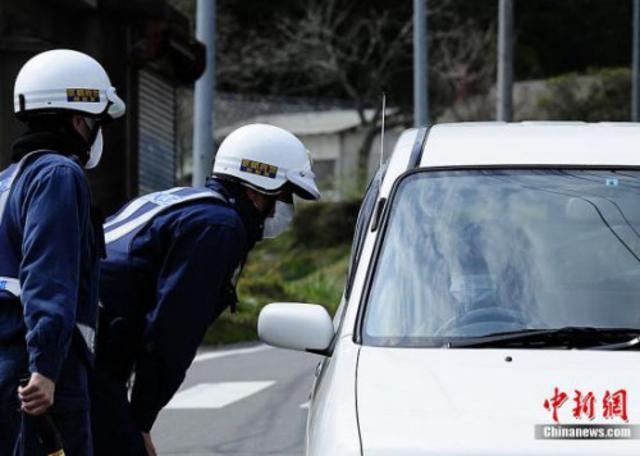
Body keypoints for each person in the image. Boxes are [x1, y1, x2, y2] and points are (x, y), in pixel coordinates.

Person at [91, 123, 320, 455]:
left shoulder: (182, 201)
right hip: (83, 353)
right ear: (258, 189)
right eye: (285, 195)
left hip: (63, 341)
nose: (286, 208)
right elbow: (172, 331)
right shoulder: (218, 227)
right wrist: (139, 421)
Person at [0, 49, 126, 455]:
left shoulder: (7, 182)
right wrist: (46, 368)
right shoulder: (58, 174)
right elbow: (47, 276)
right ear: (78, 120)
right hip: (40, 378)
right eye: (96, 122)